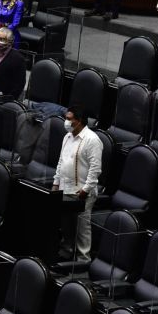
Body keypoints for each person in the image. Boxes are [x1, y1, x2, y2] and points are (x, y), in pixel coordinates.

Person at [52, 106, 103, 262]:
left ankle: (83, 259)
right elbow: (61, 162)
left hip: (82, 191)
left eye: (69, 119)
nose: (66, 122)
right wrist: (56, 183)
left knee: (82, 227)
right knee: (66, 224)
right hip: (65, 187)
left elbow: (95, 169)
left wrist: (86, 190)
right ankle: (67, 252)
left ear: (79, 120)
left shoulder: (92, 139)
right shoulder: (67, 137)